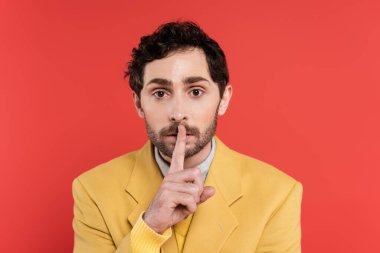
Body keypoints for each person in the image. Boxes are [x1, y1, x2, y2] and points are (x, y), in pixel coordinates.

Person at [72, 21, 303, 253]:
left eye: (195, 91)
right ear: (138, 103)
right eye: (160, 93)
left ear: (223, 99)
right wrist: (150, 227)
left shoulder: (278, 194)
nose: (178, 114)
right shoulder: (92, 190)